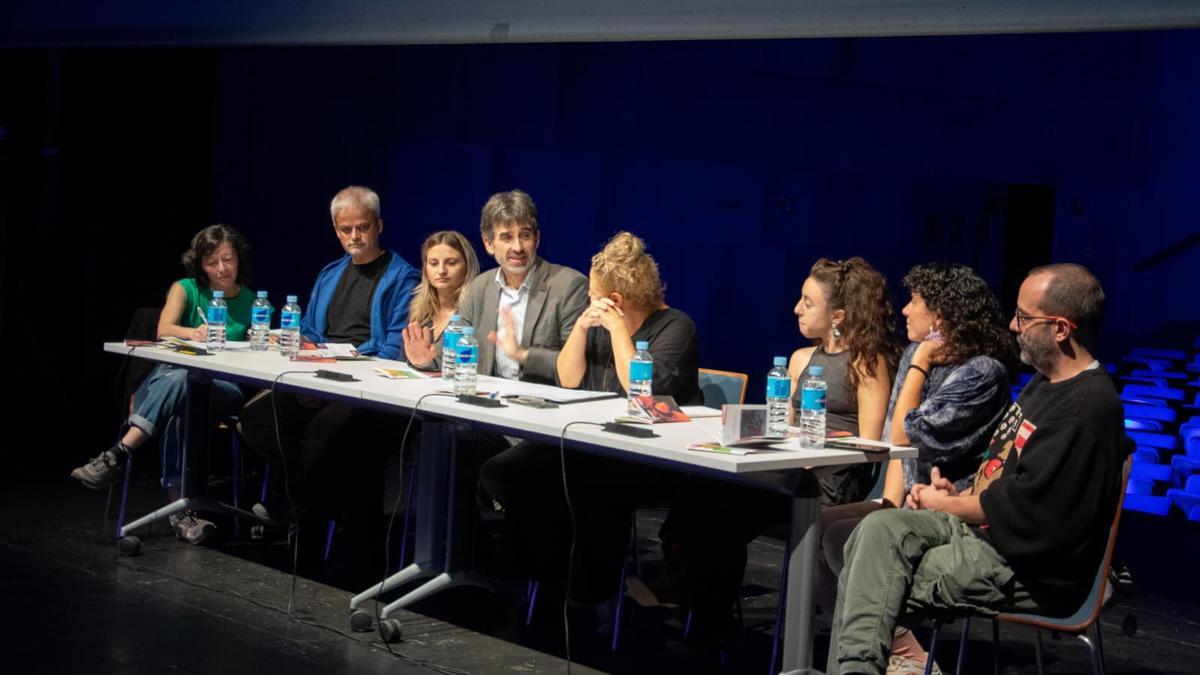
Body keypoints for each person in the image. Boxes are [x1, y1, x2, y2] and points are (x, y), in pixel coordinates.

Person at [827, 264, 1130, 675]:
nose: (1012, 324)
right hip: (982, 532)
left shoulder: (1086, 407)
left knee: (870, 577)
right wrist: (958, 498)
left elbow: (1031, 508)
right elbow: (1007, 470)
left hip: (1024, 565)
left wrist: (950, 508)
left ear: (1061, 329)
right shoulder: (1045, 384)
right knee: (877, 531)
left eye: (1024, 317)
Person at [655, 257, 900, 648]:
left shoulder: (866, 364)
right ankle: (689, 595)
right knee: (706, 489)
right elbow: (780, 426)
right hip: (786, 469)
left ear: (837, 315)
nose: (796, 308)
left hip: (828, 480)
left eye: (807, 301)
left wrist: (810, 454)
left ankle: (703, 619)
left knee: (726, 510)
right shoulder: (801, 359)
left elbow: (868, 446)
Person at [480, 231, 700, 609]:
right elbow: (568, 377)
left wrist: (617, 330)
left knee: (589, 488)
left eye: (593, 295)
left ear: (615, 300)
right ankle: (544, 574)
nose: (588, 301)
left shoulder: (675, 326)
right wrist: (581, 329)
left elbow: (642, 388)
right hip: (591, 442)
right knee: (506, 471)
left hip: (650, 457)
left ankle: (586, 596)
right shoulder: (595, 326)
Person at [813, 262, 1015, 671]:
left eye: (915, 302)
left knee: (840, 537)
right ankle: (873, 649)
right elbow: (894, 437)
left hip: (948, 509)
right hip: (908, 501)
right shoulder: (913, 354)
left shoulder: (982, 372)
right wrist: (889, 500)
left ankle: (894, 647)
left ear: (940, 315)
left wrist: (921, 361)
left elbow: (908, 435)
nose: (905, 310)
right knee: (815, 528)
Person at [238, 186, 420, 524]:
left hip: (367, 385)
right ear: (336, 230)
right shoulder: (329, 274)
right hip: (319, 373)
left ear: (379, 226)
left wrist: (329, 367)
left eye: (362, 227)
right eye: (346, 229)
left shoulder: (403, 278)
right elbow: (308, 332)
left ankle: (299, 505)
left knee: (324, 432)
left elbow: (392, 352)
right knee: (258, 417)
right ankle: (304, 500)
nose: (355, 236)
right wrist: (308, 361)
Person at [71, 224, 255, 544]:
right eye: (212, 263)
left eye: (228, 259)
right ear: (200, 265)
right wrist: (193, 332)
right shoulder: (185, 288)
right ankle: (182, 516)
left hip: (222, 389)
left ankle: (119, 454)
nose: (222, 269)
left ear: (239, 259)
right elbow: (164, 328)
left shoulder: (252, 300)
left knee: (185, 387)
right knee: (182, 392)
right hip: (172, 378)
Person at [455, 189, 589, 384]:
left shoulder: (569, 286)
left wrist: (523, 354)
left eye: (525, 235)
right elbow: (458, 346)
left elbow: (577, 365)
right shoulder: (480, 287)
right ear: (488, 244)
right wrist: (427, 359)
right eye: (507, 237)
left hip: (545, 406)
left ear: (537, 239)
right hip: (486, 401)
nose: (517, 247)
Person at [400, 230, 480, 369]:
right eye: (433, 263)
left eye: (451, 262)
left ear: (467, 267)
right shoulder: (419, 311)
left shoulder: (474, 310)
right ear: (425, 270)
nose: (441, 270)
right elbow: (405, 360)